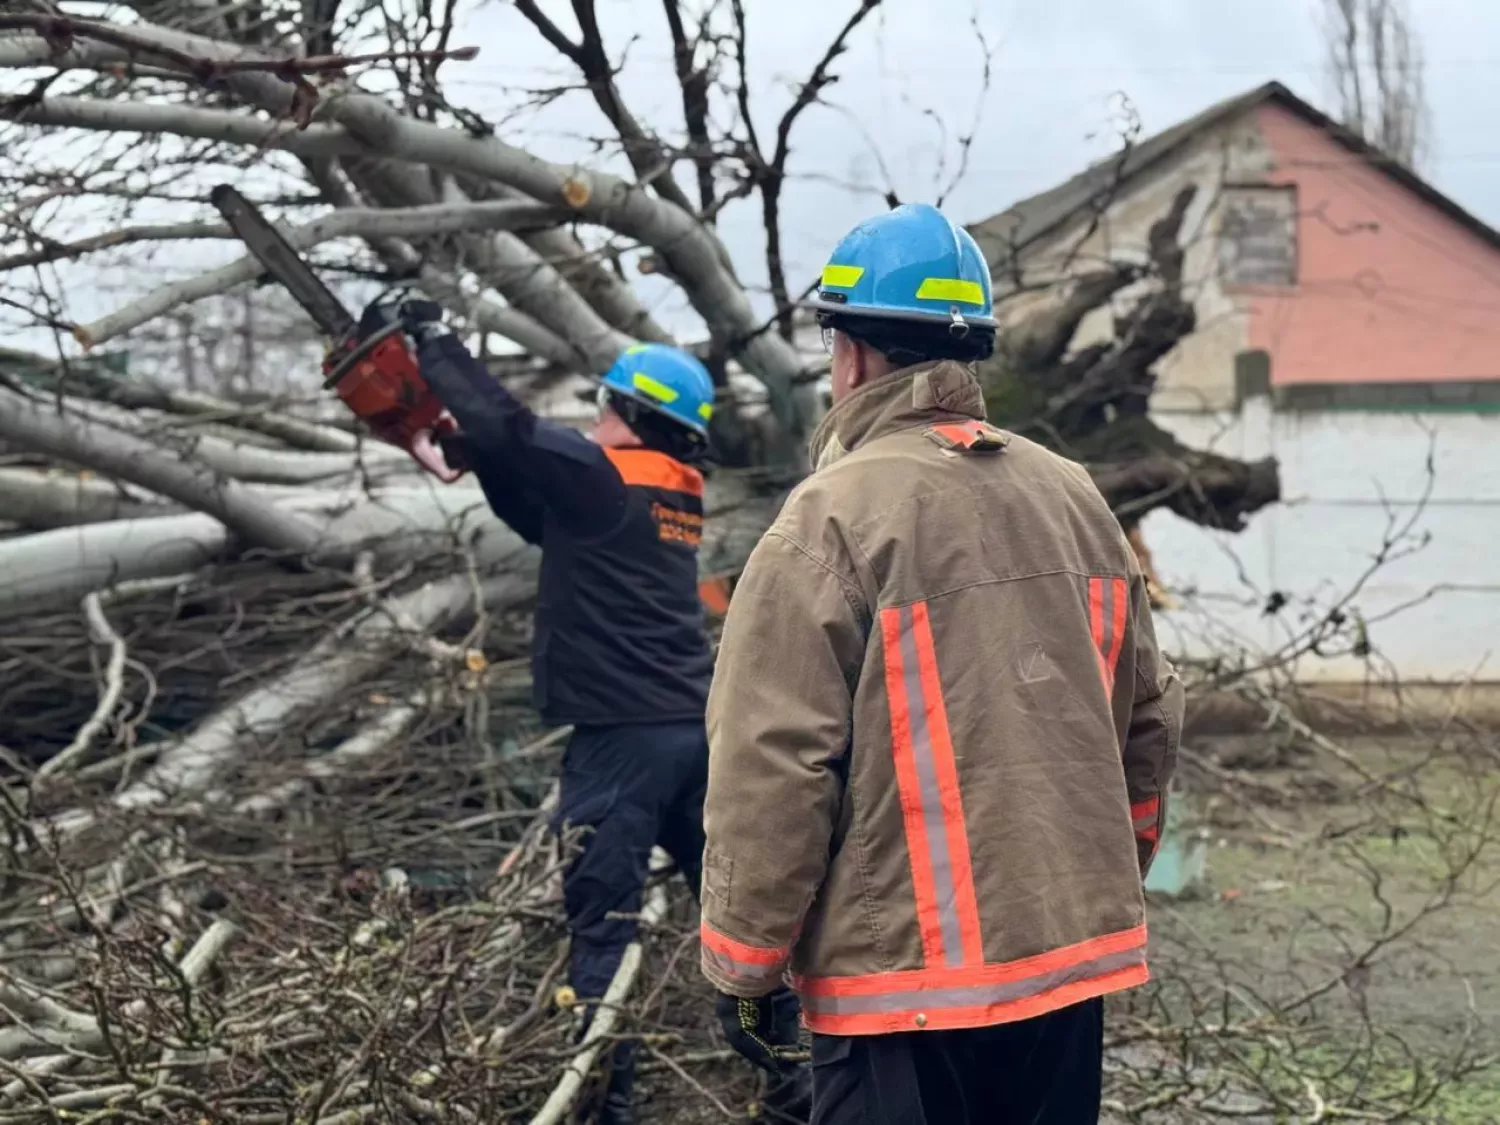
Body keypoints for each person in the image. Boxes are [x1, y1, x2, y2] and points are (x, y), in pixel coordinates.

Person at [698, 204, 1185, 1125]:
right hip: (1065, 971)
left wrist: (745, 963)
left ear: (851, 355)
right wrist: (1096, 876)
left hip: (898, 993)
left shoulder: (828, 516)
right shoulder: (1076, 499)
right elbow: (1150, 724)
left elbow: (772, 764)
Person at [385, 304, 809, 1124]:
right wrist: (478, 457)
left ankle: (602, 1109)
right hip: (694, 734)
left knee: (603, 929)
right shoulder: (664, 490)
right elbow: (538, 512)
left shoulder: (606, 475)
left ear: (634, 414)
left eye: (605, 407)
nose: (593, 420)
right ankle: (800, 1087)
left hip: (621, 746)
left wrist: (435, 343)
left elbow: (513, 428)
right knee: (742, 924)